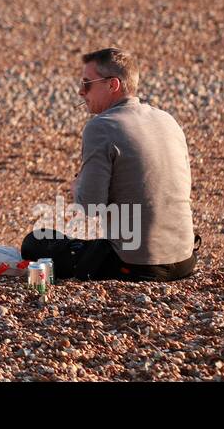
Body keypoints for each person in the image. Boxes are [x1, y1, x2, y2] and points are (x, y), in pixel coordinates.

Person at [22, 47, 199, 281]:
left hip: (135, 265)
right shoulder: (168, 120)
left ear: (112, 85)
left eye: (87, 84)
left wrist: (78, 186)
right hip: (185, 259)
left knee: (35, 242)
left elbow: (90, 206)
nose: (80, 92)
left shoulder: (101, 127)